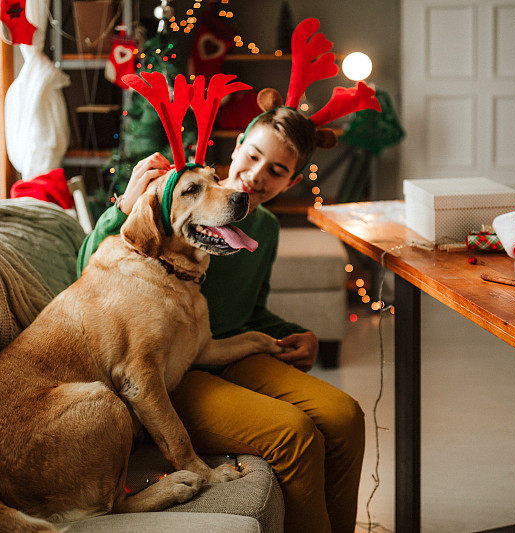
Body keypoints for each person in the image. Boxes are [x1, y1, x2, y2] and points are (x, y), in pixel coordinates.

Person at [77, 106, 364, 533]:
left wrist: (293, 334)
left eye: (277, 170)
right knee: (295, 434)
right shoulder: (171, 201)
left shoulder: (262, 228)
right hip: (178, 365)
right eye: (252, 156)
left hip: (228, 349)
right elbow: (92, 274)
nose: (256, 175)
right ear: (237, 146)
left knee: (346, 415)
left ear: (292, 181)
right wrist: (124, 208)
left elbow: (252, 308)